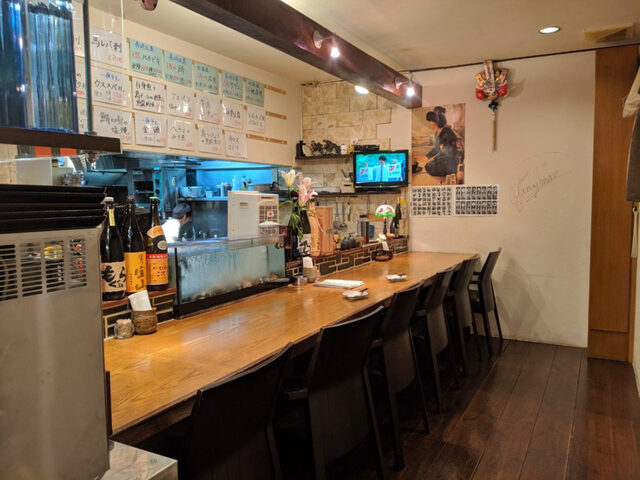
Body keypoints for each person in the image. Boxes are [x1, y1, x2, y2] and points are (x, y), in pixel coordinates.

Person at [424, 106, 459, 177]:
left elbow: (447, 153)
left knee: (430, 167)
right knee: (427, 165)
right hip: (442, 159)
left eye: (433, 125)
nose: (432, 127)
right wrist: (427, 156)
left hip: (449, 162)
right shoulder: (437, 132)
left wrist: (433, 159)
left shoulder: (447, 133)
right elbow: (436, 149)